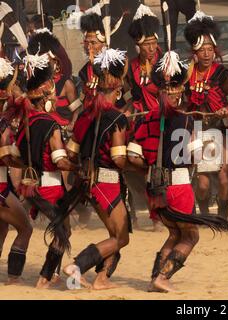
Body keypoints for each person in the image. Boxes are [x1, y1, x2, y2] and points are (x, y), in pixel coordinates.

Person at [128, 43, 228, 292]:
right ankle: (162, 277)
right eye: (172, 88)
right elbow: (196, 155)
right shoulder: (185, 119)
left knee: (175, 234)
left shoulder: (147, 117)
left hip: (155, 188)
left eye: (177, 87)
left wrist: (150, 168)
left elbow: (132, 155)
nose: (176, 92)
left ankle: (155, 277)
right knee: (191, 236)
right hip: (177, 187)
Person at [62, 47, 131, 290]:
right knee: (121, 237)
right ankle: (77, 266)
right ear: (118, 89)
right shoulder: (117, 118)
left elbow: (71, 152)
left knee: (116, 236)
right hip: (107, 183)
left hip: (89, 183)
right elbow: (119, 159)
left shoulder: (85, 115)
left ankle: (101, 279)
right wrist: (138, 160)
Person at [16, 52, 78, 289]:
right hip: (50, 187)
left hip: (32, 184)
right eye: (52, 94)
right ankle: (45, 276)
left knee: (64, 231)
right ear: (44, 98)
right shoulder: (50, 124)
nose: (55, 97)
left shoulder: (27, 121)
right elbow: (60, 162)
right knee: (62, 232)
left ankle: (51, 275)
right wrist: (79, 167)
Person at [184, 7, 228, 219]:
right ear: (195, 52)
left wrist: (225, 110)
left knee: (223, 178)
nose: (206, 53)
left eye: (209, 49)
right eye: (202, 49)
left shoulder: (223, 74)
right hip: (197, 130)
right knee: (203, 184)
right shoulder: (187, 75)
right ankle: (204, 215)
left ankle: (222, 218)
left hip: (220, 129)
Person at [0, 6, 33, 284]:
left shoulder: (6, 111)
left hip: (2, 185)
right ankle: (13, 279)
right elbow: (5, 154)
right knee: (25, 228)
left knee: (1, 228)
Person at [127, 3, 164, 231]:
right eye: (146, 44)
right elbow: (132, 96)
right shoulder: (131, 67)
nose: (151, 48)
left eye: (153, 43)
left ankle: (159, 215)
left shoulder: (165, 61)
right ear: (138, 46)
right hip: (141, 123)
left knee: (156, 167)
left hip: (162, 122)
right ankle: (150, 206)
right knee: (128, 161)